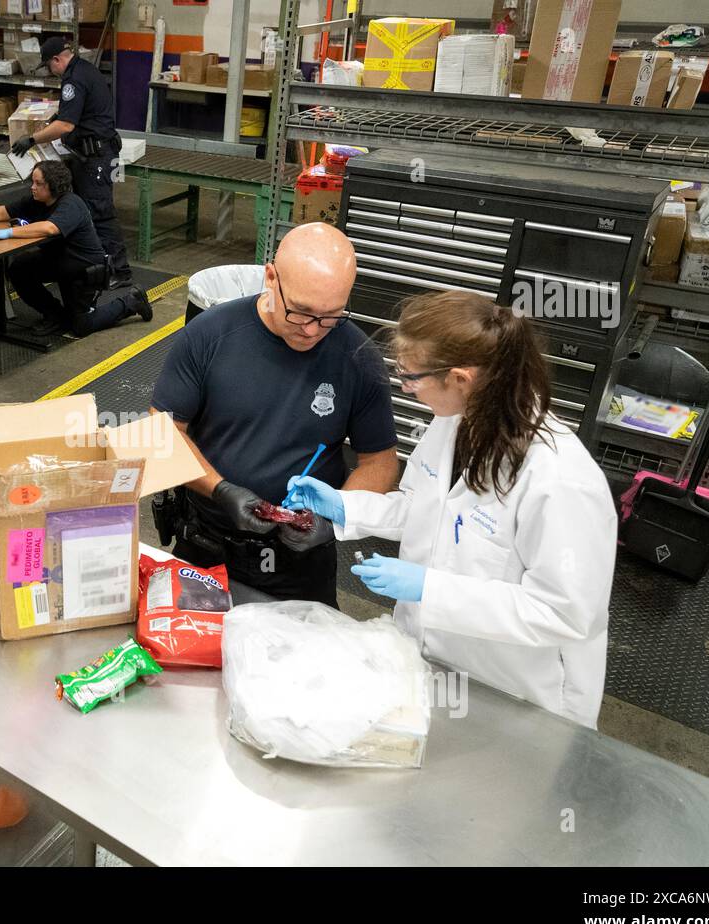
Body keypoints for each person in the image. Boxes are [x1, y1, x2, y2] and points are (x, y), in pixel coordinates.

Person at [286, 290, 617, 729]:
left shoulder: (560, 480)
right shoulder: (452, 423)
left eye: (412, 378)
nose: (406, 388)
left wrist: (431, 588)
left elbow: (565, 612)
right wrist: (344, 505)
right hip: (430, 663)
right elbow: (424, 511)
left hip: (516, 697)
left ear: (461, 379)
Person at [150, 222, 399, 606]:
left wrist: (334, 520)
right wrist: (221, 489)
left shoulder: (357, 357)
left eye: (331, 316)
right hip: (207, 548)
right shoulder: (209, 336)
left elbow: (380, 462)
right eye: (301, 312)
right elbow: (161, 432)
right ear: (271, 277)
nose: (314, 330)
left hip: (300, 562)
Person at [11, 37, 132, 288]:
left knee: (101, 213)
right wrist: (55, 117)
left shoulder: (73, 79)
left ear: (57, 60)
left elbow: (66, 125)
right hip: (94, 154)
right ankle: (97, 266)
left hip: (96, 157)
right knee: (91, 210)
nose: (51, 72)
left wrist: (31, 139)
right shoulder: (84, 69)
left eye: (49, 66)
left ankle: (120, 271)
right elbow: (72, 113)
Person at [0, 160, 151, 338]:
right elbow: (3, 212)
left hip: (84, 271)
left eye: (39, 183)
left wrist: (9, 232)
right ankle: (56, 316)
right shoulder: (36, 200)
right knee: (19, 268)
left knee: (82, 326)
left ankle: (132, 301)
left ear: (54, 186)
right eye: (32, 182)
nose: (33, 187)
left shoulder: (71, 204)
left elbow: (50, 228)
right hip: (60, 262)